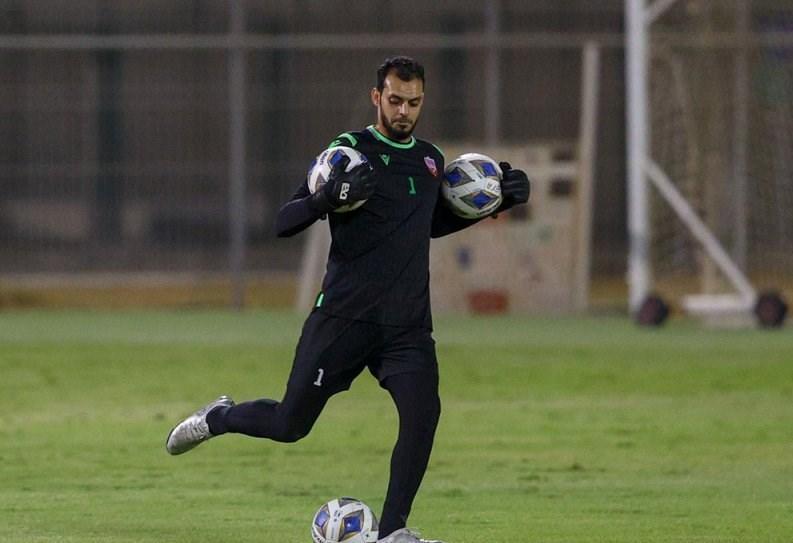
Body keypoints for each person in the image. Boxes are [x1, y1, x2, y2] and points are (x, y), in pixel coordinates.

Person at [166, 56, 530, 543]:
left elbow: (428, 223)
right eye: (395, 100)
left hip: (406, 326)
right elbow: (283, 221)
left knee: (424, 415)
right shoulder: (348, 152)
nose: (404, 111)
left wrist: (496, 202)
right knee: (290, 424)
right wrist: (324, 201)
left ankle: (394, 532)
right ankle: (219, 417)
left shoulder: (429, 160)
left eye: (414, 102)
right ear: (376, 97)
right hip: (342, 319)